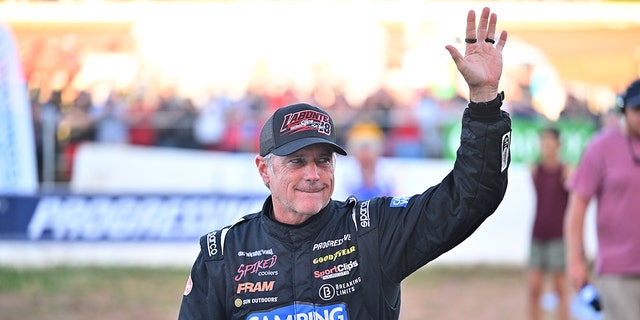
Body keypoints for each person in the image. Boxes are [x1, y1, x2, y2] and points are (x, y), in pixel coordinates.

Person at [179, 7, 511, 319]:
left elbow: (470, 197)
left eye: (323, 161)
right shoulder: (223, 254)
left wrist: (484, 102)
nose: (313, 174)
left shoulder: (371, 232)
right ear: (264, 170)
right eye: (297, 162)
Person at [565, 78, 640, 320]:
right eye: (637, 110)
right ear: (623, 110)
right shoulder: (600, 147)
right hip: (618, 273)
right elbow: (577, 207)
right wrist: (575, 260)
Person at [527, 127, 571, 320]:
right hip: (538, 233)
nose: (546, 146)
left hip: (558, 236)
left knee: (560, 288)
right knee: (534, 288)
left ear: (558, 145)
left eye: (550, 142)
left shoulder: (566, 172)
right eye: (544, 142)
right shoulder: (536, 171)